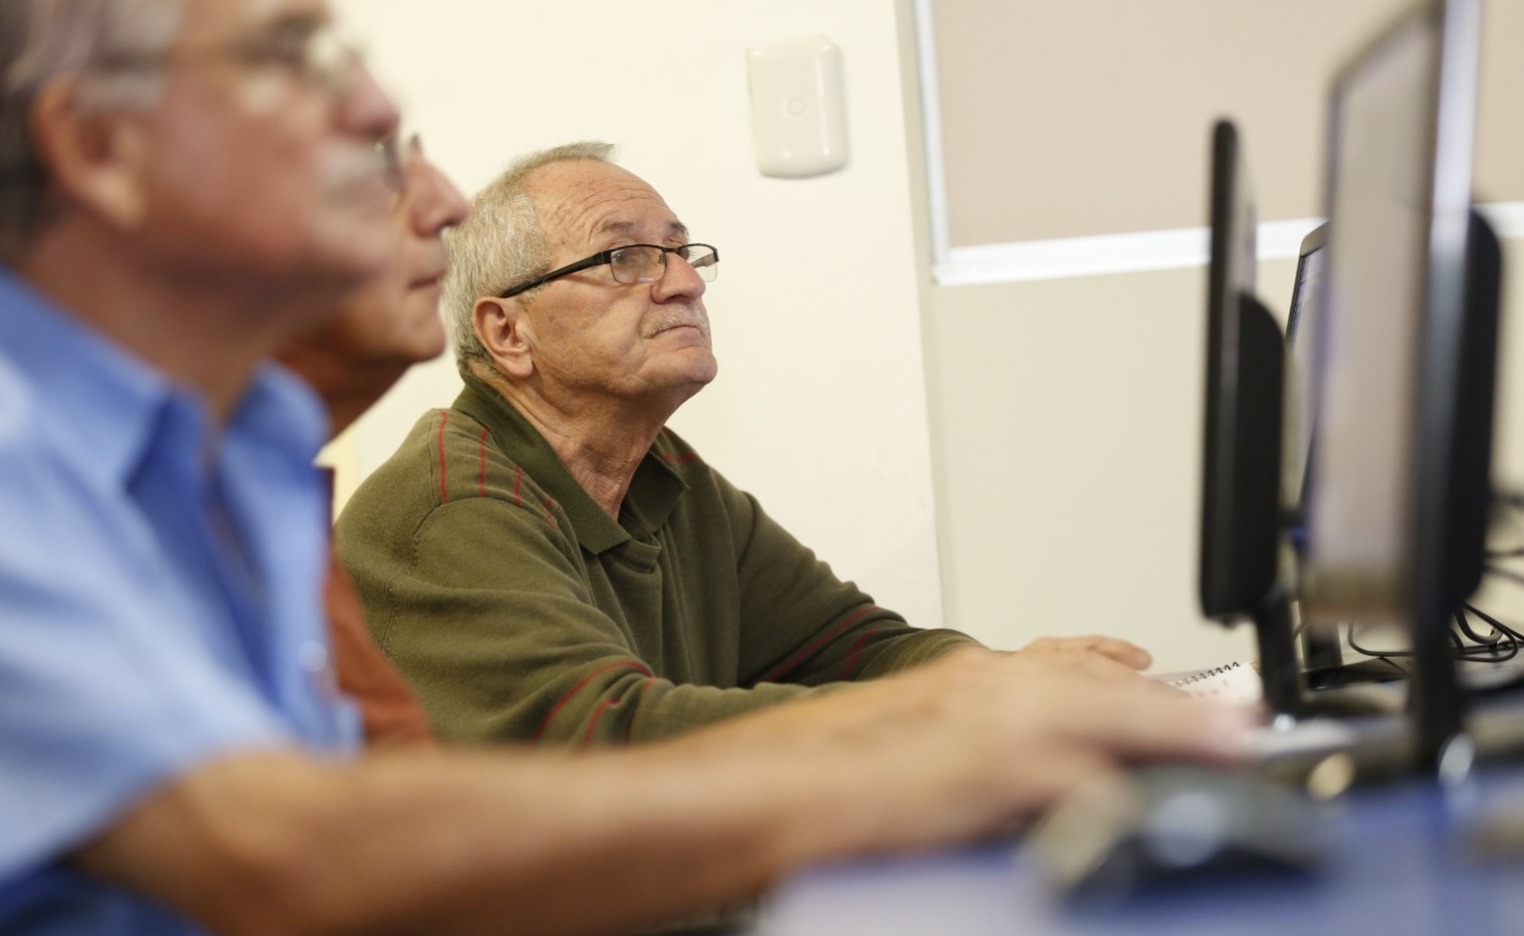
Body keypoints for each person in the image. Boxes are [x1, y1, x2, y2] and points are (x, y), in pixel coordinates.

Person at [0, 3, 1247, 934]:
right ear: (100, 147)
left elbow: (853, 645)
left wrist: (992, 696)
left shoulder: (243, 459)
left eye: (681, 252)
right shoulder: (36, 465)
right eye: (292, 56)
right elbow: (290, 854)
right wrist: (940, 741)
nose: (383, 122)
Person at [336, 141, 1156, 746]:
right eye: (624, 257)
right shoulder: (452, 508)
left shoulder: (665, 475)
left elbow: (858, 649)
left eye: (680, 250)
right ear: (507, 332)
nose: (685, 281)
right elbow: (611, 739)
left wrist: (1011, 681)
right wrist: (968, 706)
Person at [277, 134, 468, 749]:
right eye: (375, 159)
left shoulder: (269, 487)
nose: (450, 203)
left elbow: (394, 765)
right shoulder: (453, 498)